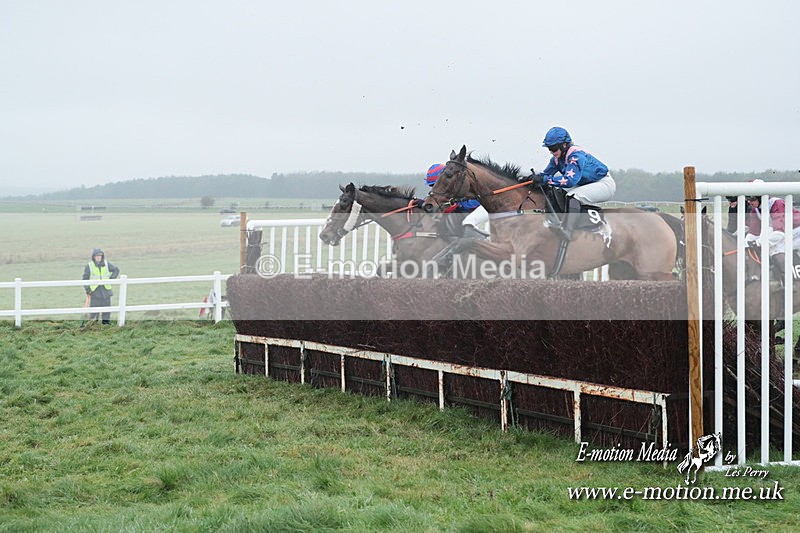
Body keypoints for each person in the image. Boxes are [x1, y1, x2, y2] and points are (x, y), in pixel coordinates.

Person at [531, 126, 616, 241]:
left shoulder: (576, 156)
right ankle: (558, 221)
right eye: (549, 148)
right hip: (586, 184)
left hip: (603, 184)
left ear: (564, 145)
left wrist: (546, 179)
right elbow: (544, 175)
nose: (551, 152)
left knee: (573, 196)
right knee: (557, 191)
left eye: (554, 148)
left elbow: (570, 181)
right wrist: (532, 179)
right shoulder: (557, 159)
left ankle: (567, 231)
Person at [744, 180, 800, 279]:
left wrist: (760, 243)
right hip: (787, 231)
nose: (749, 201)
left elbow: (779, 233)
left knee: (775, 248)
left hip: (795, 230)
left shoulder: (776, 204)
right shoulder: (755, 210)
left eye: (751, 198)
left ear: (760, 197)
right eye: (747, 198)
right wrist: (745, 243)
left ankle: (788, 281)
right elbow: (754, 232)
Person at [425, 163, 489, 240]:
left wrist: (456, 204)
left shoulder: (463, 186)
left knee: (467, 224)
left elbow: (475, 203)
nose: (435, 188)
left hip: (483, 210)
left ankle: (485, 244)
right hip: (468, 216)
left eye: (435, 184)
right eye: (432, 186)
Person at [82, 248, 120, 324]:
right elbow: (85, 278)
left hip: (106, 291)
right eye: (97, 256)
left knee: (106, 311)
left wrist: (111, 279)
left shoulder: (106, 264)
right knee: (94, 312)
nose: (98, 257)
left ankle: (106, 326)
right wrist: (88, 289)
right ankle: (93, 326)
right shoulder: (89, 266)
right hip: (95, 292)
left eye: (100, 255)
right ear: (93, 257)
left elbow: (116, 270)